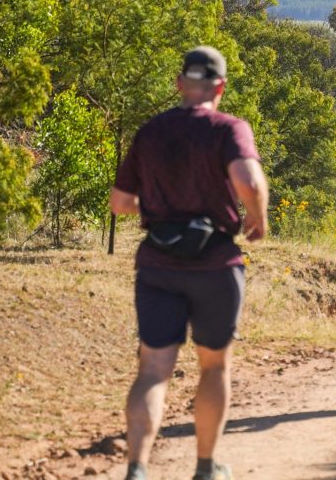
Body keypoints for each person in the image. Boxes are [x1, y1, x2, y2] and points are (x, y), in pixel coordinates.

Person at [109, 46, 269, 480]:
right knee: (214, 365)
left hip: (158, 265)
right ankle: (204, 467)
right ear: (220, 87)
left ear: (180, 84)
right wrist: (257, 218)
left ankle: (137, 469)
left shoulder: (150, 132)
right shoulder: (228, 129)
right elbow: (249, 181)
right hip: (216, 264)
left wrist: (163, 203)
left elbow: (120, 203)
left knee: (154, 370)